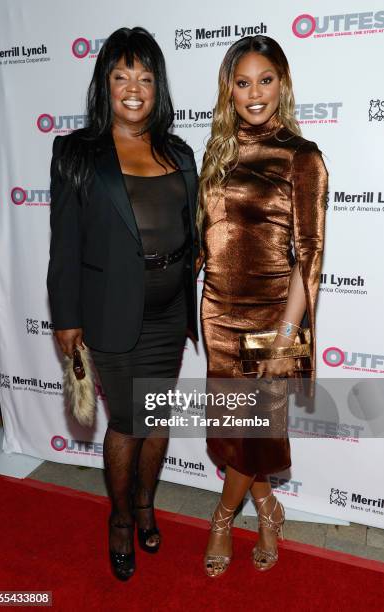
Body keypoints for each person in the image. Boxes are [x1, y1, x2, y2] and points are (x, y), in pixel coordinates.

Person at [47, 27, 199, 581]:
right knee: (129, 422)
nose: (134, 88)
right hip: (110, 311)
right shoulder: (77, 152)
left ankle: (144, 504)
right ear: (104, 84)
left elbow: (192, 224)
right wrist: (66, 318)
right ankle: (118, 519)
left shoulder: (178, 150)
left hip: (169, 313)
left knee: (157, 418)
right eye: (121, 77)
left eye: (145, 77)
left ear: (158, 86)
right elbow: (63, 245)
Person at [198, 35, 327, 576]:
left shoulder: (302, 157)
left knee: (255, 432)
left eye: (265, 80)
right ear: (229, 88)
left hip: (274, 316)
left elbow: (310, 256)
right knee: (233, 430)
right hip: (218, 313)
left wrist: (283, 339)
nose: (254, 93)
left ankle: (223, 519)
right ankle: (269, 507)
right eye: (243, 81)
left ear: (283, 83)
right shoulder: (217, 152)